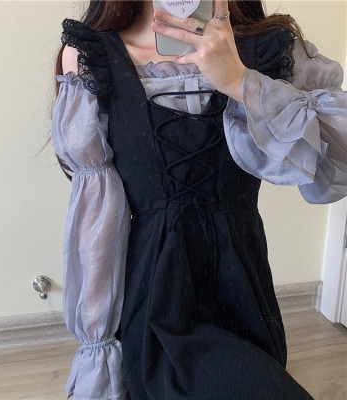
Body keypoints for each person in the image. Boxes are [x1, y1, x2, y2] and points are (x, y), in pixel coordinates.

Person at [50, 0, 347, 399]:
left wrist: (241, 81)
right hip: (153, 297)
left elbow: (339, 156)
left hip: (246, 291)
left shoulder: (271, 49)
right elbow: (96, 222)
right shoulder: (92, 56)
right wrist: (97, 342)